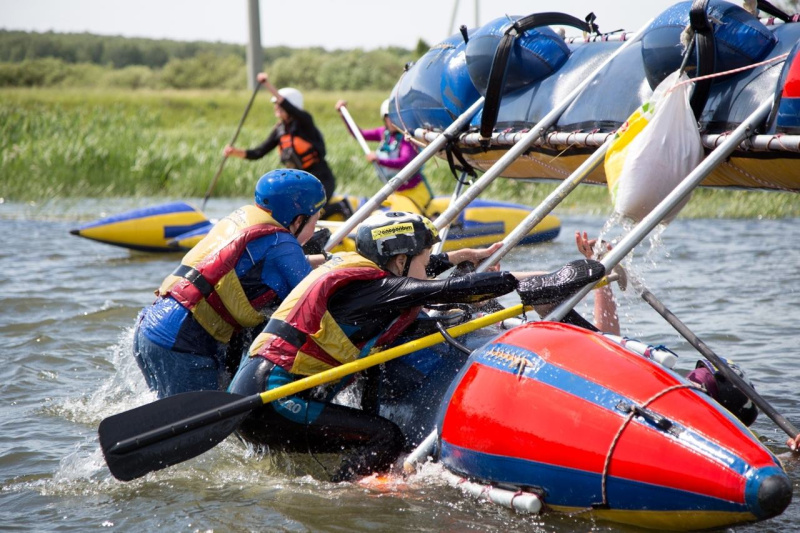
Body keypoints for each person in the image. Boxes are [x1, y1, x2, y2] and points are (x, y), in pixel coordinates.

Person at [228, 211, 608, 482]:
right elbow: (442, 289)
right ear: (398, 260)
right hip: (274, 399)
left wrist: (456, 258)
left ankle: (346, 482)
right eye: (424, 263)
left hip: (252, 394)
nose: (428, 270)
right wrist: (538, 282)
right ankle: (342, 497)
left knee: (367, 434)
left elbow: (418, 280)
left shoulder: (360, 278)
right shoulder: (377, 290)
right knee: (387, 437)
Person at [132, 169, 329, 398]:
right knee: (201, 428)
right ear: (298, 220)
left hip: (151, 331)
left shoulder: (245, 218)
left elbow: (270, 265)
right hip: (183, 344)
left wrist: (327, 261)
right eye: (315, 220)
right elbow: (313, 299)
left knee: (167, 415)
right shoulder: (282, 245)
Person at [224, 72, 348, 218]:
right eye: (275, 105)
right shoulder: (279, 130)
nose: (276, 107)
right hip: (301, 181)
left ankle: (342, 207)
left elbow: (288, 106)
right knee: (295, 213)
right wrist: (234, 152)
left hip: (321, 178)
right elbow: (259, 152)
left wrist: (267, 85)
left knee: (312, 212)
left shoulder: (305, 122)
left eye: (278, 105)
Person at [336, 98, 433, 212]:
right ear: (384, 119)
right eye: (389, 118)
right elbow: (359, 134)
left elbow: (404, 161)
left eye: (394, 118)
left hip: (414, 192)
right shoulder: (383, 133)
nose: (392, 121)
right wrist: (343, 115)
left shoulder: (407, 137)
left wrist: (379, 160)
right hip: (396, 192)